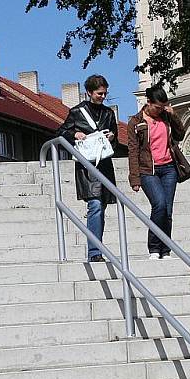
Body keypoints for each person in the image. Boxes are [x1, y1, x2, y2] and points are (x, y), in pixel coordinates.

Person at [57, 75, 118, 262]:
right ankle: (94, 252)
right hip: (87, 165)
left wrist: (112, 136)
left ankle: (96, 247)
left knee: (102, 207)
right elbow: (61, 132)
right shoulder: (77, 112)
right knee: (95, 205)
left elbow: (115, 135)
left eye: (105, 93)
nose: (102, 96)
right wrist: (75, 133)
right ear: (90, 92)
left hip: (104, 163)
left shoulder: (108, 113)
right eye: (99, 93)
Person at [127, 85, 190, 260]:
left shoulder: (167, 118)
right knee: (160, 205)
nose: (160, 110)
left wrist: (174, 115)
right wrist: (134, 178)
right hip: (148, 170)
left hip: (169, 167)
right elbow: (133, 151)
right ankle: (154, 247)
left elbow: (180, 135)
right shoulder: (136, 121)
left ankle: (166, 249)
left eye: (163, 107)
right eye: (157, 107)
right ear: (148, 102)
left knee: (168, 210)